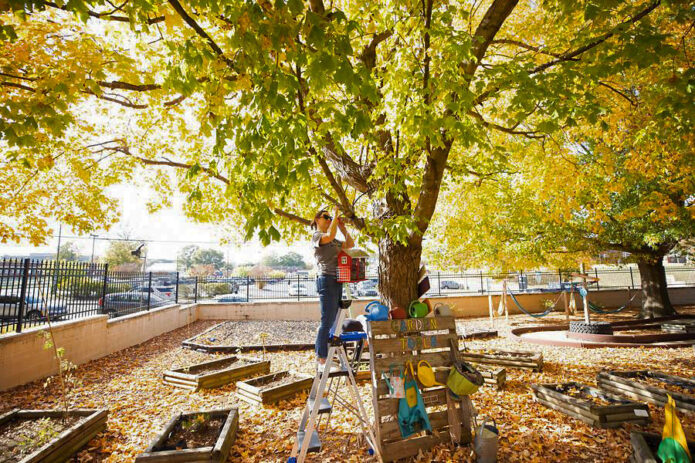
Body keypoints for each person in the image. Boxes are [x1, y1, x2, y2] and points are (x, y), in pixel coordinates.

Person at [310, 205, 354, 372]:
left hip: (337, 280)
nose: (328, 220)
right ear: (317, 220)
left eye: (330, 218)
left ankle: (329, 353)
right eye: (325, 217)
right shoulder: (317, 236)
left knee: (334, 319)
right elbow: (330, 235)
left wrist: (343, 227)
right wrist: (335, 216)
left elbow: (350, 243)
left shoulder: (334, 238)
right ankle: (321, 356)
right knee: (326, 319)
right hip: (326, 280)